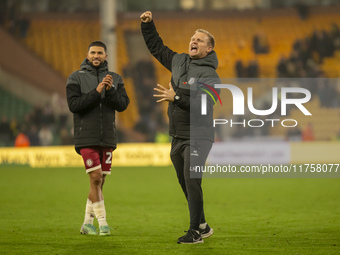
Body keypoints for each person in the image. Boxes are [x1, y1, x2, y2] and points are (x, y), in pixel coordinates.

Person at [140, 11, 220, 244]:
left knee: (192, 180)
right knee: (185, 182)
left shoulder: (212, 76)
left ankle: (194, 232)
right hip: (177, 135)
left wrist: (176, 98)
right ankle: (203, 225)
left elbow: (204, 106)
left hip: (199, 135)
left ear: (209, 50)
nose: (193, 41)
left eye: (200, 40)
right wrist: (148, 25)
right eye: (193, 38)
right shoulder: (178, 61)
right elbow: (156, 47)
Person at [66, 41, 129, 236]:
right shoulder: (76, 77)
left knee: (99, 182)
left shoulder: (115, 79)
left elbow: (123, 105)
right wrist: (97, 91)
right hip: (86, 137)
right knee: (95, 177)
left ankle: (86, 223)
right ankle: (103, 224)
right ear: (87, 55)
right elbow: (74, 105)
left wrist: (110, 90)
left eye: (100, 53)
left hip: (107, 137)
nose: (96, 55)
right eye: (93, 52)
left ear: (106, 56)